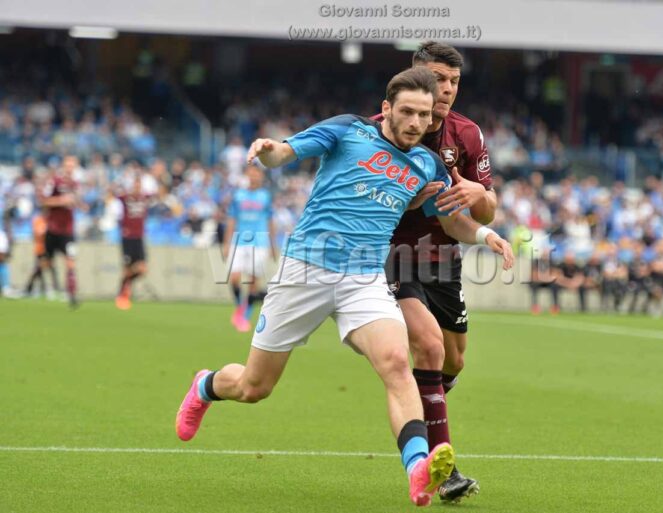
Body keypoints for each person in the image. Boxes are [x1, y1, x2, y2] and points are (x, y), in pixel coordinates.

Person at [175, 67, 513, 507]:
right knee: (254, 387)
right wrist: (269, 151)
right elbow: (287, 152)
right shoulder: (347, 130)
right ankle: (205, 386)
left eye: (424, 116)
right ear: (387, 108)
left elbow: (451, 220)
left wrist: (488, 236)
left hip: (364, 278)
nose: (415, 123)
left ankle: (417, 469)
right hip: (304, 272)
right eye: (407, 112)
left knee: (396, 361)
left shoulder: (426, 164)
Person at [373, 41, 496, 502]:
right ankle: (442, 469)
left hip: (444, 258)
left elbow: (486, 208)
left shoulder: (467, 136)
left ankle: (416, 403)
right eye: (438, 79)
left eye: (454, 82)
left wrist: (476, 198)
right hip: (392, 256)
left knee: (452, 361)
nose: (445, 90)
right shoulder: (382, 128)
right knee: (426, 345)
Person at [223, 164, 277, 332]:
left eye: (257, 174)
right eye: (251, 174)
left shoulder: (266, 196)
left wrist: (273, 245)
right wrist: (226, 243)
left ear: (261, 176)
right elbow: (232, 219)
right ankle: (241, 309)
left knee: (253, 282)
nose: (253, 177)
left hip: (259, 242)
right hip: (240, 241)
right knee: (234, 278)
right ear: (247, 176)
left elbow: (270, 221)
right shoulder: (238, 195)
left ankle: (244, 317)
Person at [39, 155, 80, 308]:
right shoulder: (55, 181)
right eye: (68, 165)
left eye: (73, 165)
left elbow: (74, 202)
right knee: (45, 262)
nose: (70, 168)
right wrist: (61, 201)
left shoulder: (75, 184)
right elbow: (43, 200)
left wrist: (78, 204)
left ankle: (71, 294)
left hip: (67, 230)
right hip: (53, 228)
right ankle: (36, 287)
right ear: (63, 166)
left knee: (70, 261)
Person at [115, 175, 151, 310]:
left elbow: (160, 193)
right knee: (127, 268)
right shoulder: (125, 198)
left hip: (139, 237)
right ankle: (122, 295)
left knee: (142, 269)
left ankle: (125, 286)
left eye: (139, 186)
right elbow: (111, 195)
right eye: (135, 185)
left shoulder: (144, 198)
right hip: (128, 237)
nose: (137, 188)